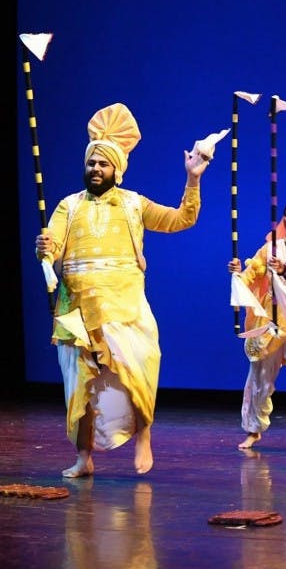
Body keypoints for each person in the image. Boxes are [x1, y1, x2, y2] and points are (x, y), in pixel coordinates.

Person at [34, 102, 212, 478]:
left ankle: (144, 436)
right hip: (77, 307)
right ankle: (84, 457)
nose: (95, 169)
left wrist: (193, 179)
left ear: (117, 169)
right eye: (91, 164)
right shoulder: (69, 205)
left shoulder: (134, 204)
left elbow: (182, 219)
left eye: (103, 164)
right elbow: (54, 241)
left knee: (139, 370)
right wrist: (45, 247)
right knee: (79, 386)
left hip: (125, 304)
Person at [228, 201, 286, 451]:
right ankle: (253, 430)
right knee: (260, 380)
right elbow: (252, 275)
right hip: (271, 321)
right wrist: (238, 274)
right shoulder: (271, 249)